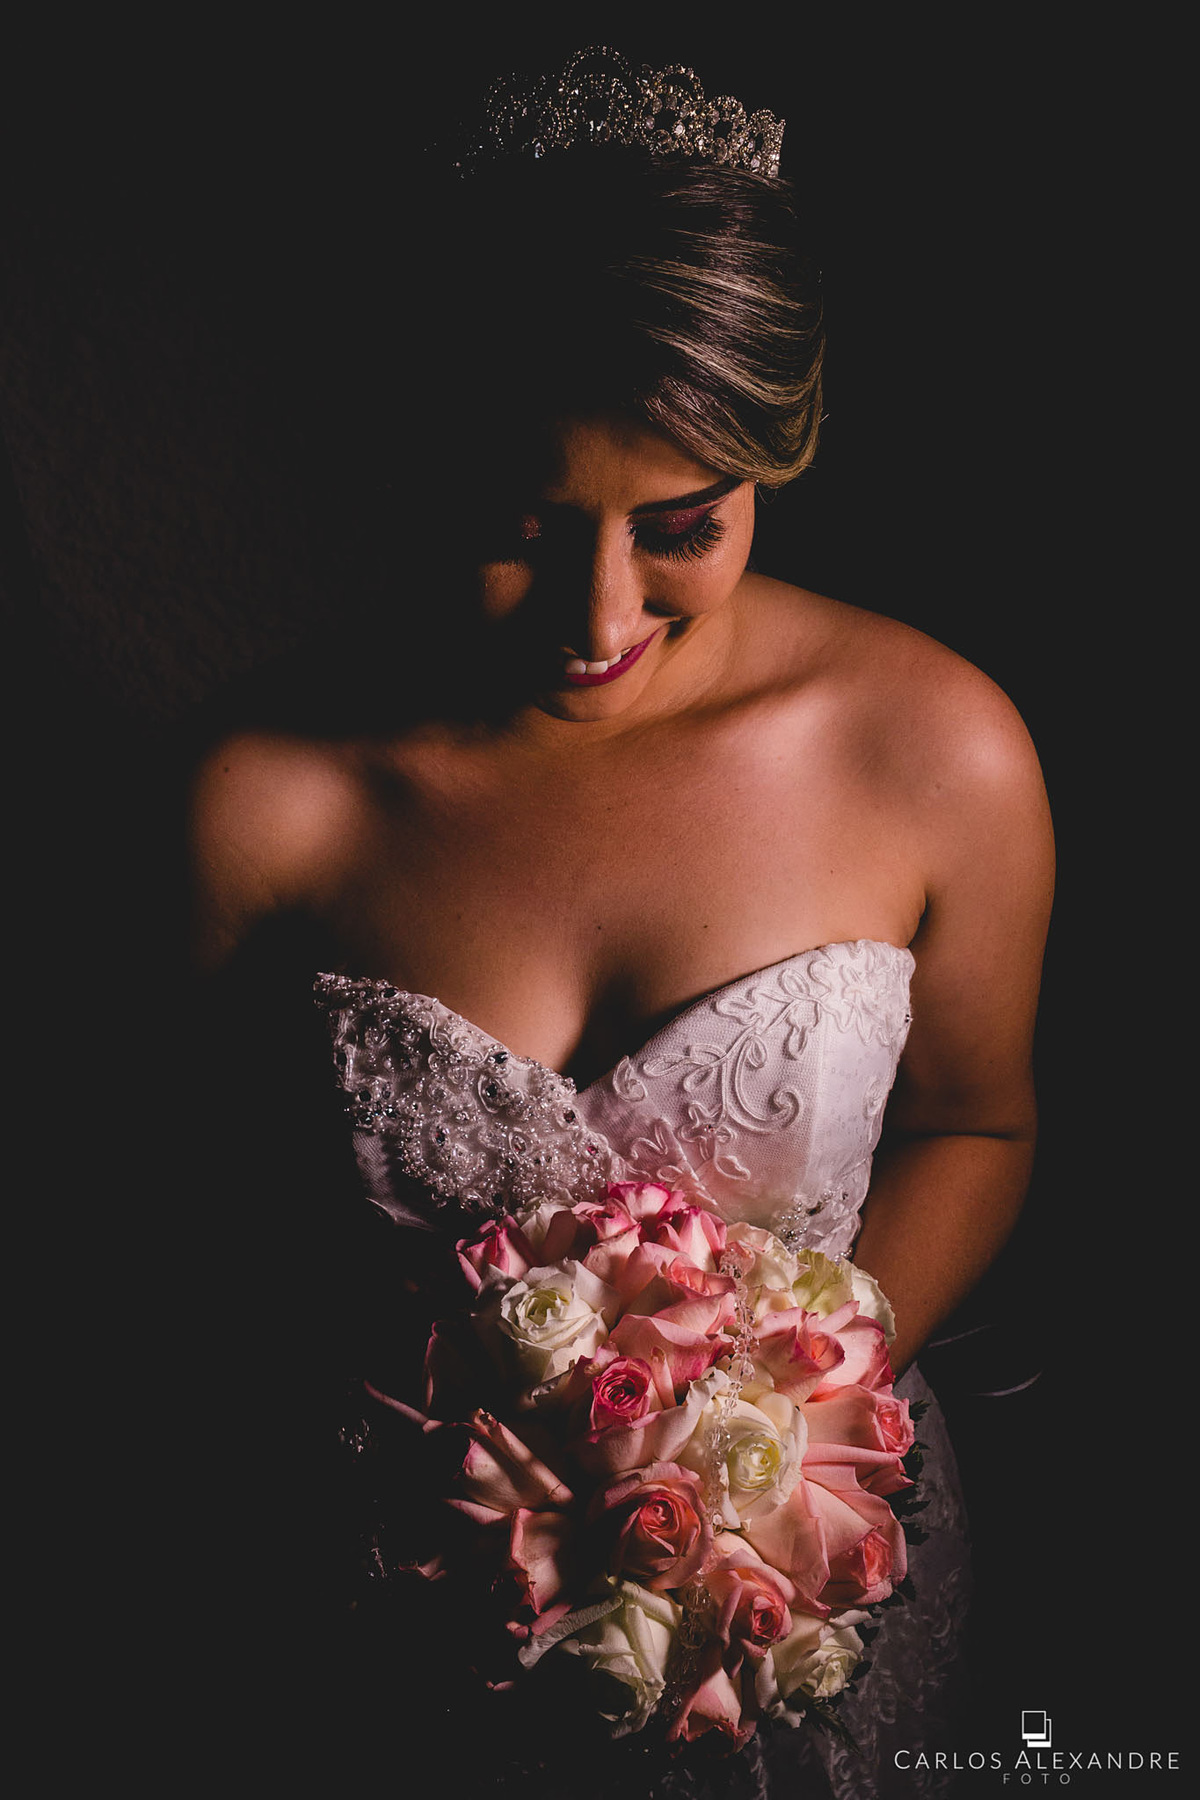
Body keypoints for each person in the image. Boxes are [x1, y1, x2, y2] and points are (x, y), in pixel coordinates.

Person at [186, 47, 1053, 1800]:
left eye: (682, 526)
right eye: (516, 523)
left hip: (819, 1575)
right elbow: (186, 1223)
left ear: (770, 465)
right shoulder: (261, 803)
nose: (594, 618)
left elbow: (980, 1121)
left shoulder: (934, 748)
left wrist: (786, 1409)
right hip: (396, 1620)